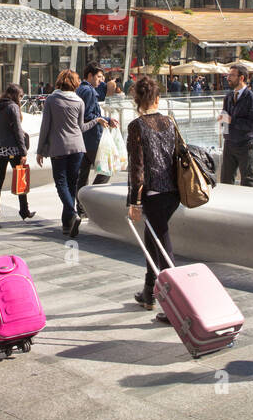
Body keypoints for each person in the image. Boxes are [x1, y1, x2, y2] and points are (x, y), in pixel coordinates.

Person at [125, 75, 179, 322]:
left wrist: (134, 201)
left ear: (137, 100)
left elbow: (137, 168)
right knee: (153, 238)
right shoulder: (170, 122)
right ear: (157, 99)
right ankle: (149, 293)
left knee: (162, 244)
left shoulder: (137, 126)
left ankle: (176, 304)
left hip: (153, 193)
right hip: (173, 192)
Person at [36, 68, 108, 237]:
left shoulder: (52, 100)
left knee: (61, 183)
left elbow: (45, 126)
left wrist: (40, 151)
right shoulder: (78, 101)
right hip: (78, 147)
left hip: (59, 147)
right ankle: (67, 224)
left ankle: (72, 213)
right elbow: (81, 127)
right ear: (75, 83)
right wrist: (96, 120)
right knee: (70, 184)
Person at [0, 83, 34, 228]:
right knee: (21, 178)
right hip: (13, 150)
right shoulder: (12, 107)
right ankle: (24, 210)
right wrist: (23, 151)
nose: (21, 99)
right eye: (20, 96)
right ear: (16, 95)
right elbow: (18, 131)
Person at [75, 62, 117, 197]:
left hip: (82, 138)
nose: (101, 80)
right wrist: (103, 119)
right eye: (98, 77)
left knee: (83, 175)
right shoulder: (89, 91)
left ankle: (81, 207)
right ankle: (90, 197)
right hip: (92, 138)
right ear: (90, 76)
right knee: (106, 170)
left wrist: (106, 119)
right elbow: (88, 115)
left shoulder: (80, 89)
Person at [219, 63, 253, 187]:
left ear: (241, 78)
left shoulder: (252, 99)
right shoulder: (228, 97)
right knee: (225, 179)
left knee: (247, 180)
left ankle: (250, 204)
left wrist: (232, 121)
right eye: (228, 75)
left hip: (245, 144)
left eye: (232, 75)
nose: (228, 78)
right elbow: (225, 118)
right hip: (230, 144)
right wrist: (224, 127)